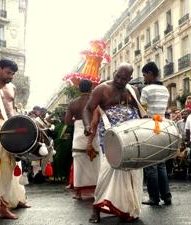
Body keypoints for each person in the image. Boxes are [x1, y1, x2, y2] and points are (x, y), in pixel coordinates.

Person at [83, 62, 143, 223]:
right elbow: (88, 109)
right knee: (107, 172)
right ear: (115, 72)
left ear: (129, 78)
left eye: (124, 79)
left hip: (131, 137)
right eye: (118, 76)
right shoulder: (102, 89)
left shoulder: (133, 90)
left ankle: (127, 209)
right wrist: (88, 125)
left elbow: (139, 111)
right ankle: (96, 209)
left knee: (131, 173)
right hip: (110, 138)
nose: (119, 81)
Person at [139, 61, 172, 206]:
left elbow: (143, 110)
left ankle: (154, 198)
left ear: (151, 74)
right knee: (161, 164)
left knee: (151, 164)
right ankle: (166, 196)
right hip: (163, 126)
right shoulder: (165, 89)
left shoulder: (146, 90)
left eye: (145, 75)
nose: (144, 78)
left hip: (150, 127)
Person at [0, 59, 29, 219]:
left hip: (10, 128)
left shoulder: (12, 87)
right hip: (2, 130)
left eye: (12, 74)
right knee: (3, 167)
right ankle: (2, 207)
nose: (10, 76)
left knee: (12, 166)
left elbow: (13, 108)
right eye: (8, 72)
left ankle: (17, 198)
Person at [64, 79, 100, 199]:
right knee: (95, 162)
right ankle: (97, 191)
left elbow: (67, 121)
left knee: (79, 164)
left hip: (79, 133)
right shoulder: (95, 101)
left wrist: (77, 121)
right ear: (91, 88)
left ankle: (79, 193)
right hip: (94, 131)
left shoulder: (73, 103)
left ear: (79, 89)